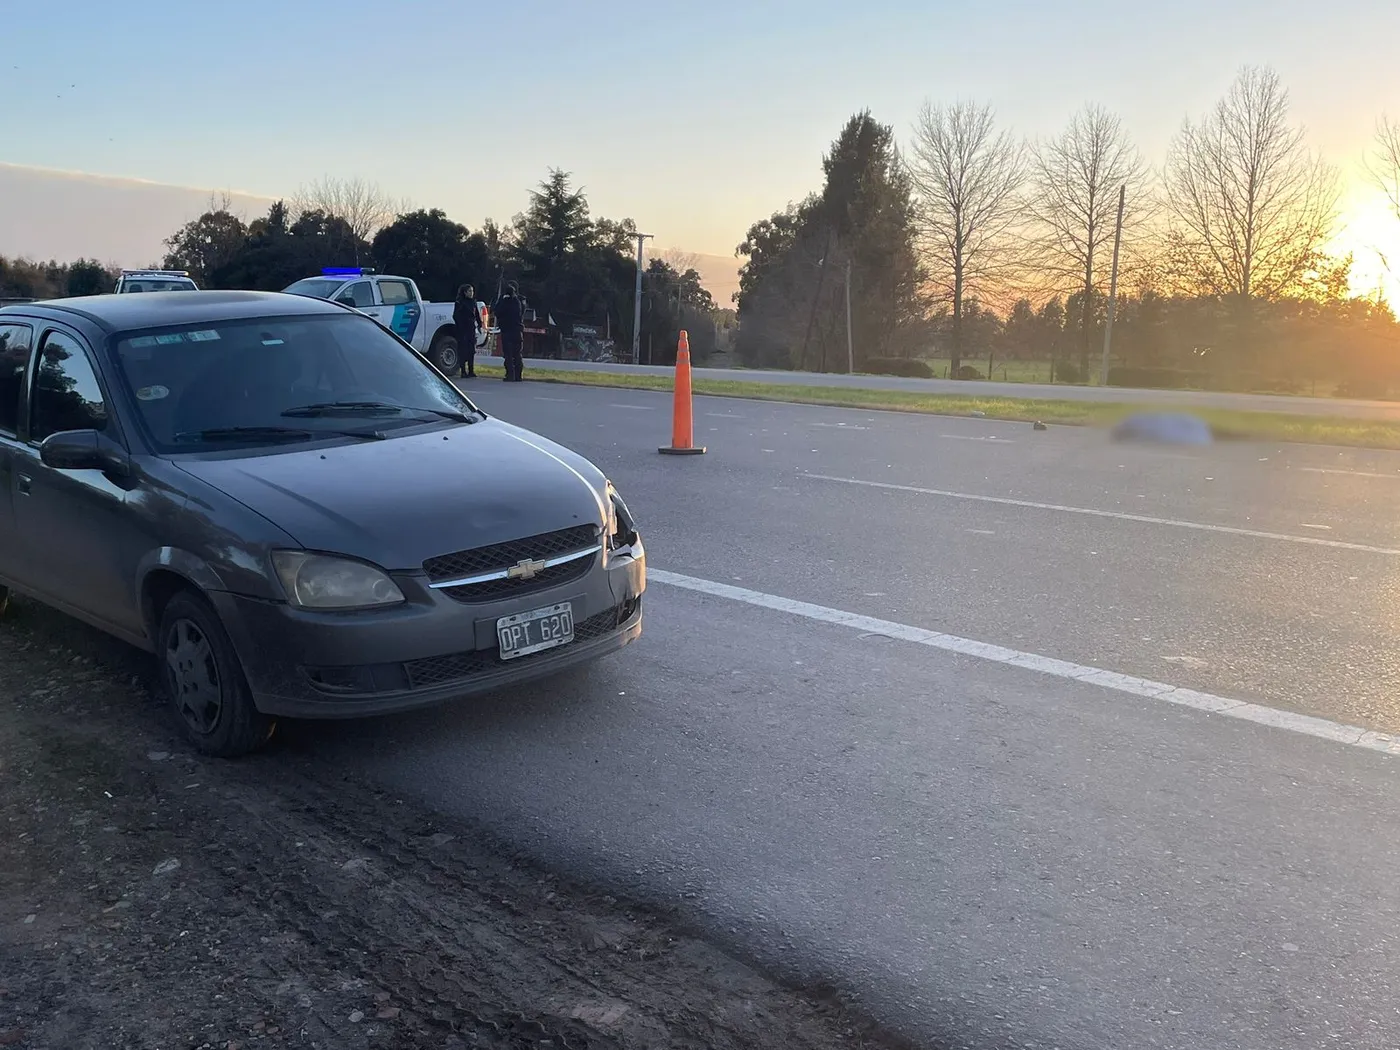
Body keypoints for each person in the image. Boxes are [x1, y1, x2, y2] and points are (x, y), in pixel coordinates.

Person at [495, 281, 525, 382]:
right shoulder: (518, 301)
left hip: (507, 330)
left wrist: (502, 300)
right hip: (517, 330)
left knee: (508, 354)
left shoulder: (504, 302)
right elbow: (521, 312)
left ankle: (510, 375)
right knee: (517, 354)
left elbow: (497, 312)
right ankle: (518, 375)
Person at [452, 283, 481, 378]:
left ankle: (471, 370)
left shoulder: (473, 302)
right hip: (462, 329)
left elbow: (476, 314)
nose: (472, 293)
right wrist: (460, 326)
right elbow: (456, 315)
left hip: (471, 328)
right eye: (469, 291)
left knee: (471, 350)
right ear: (465, 292)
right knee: (463, 350)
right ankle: (463, 371)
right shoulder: (459, 302)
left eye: (472, 291)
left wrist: (479, 325)